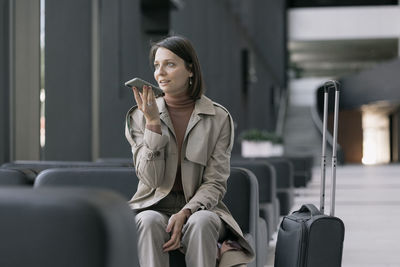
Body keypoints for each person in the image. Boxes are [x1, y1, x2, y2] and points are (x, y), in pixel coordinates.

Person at [125, 35, 255, 267]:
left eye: (170, 64)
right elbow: (150, 179)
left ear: (190, 70)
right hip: (152, 205)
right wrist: (153, 124)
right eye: (156, 66)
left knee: (202, 221)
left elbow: (215, 182)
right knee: (148, 220)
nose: (160, 73)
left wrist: (186, 211)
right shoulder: (138, 116)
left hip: (201, 207)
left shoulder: (219, 118)